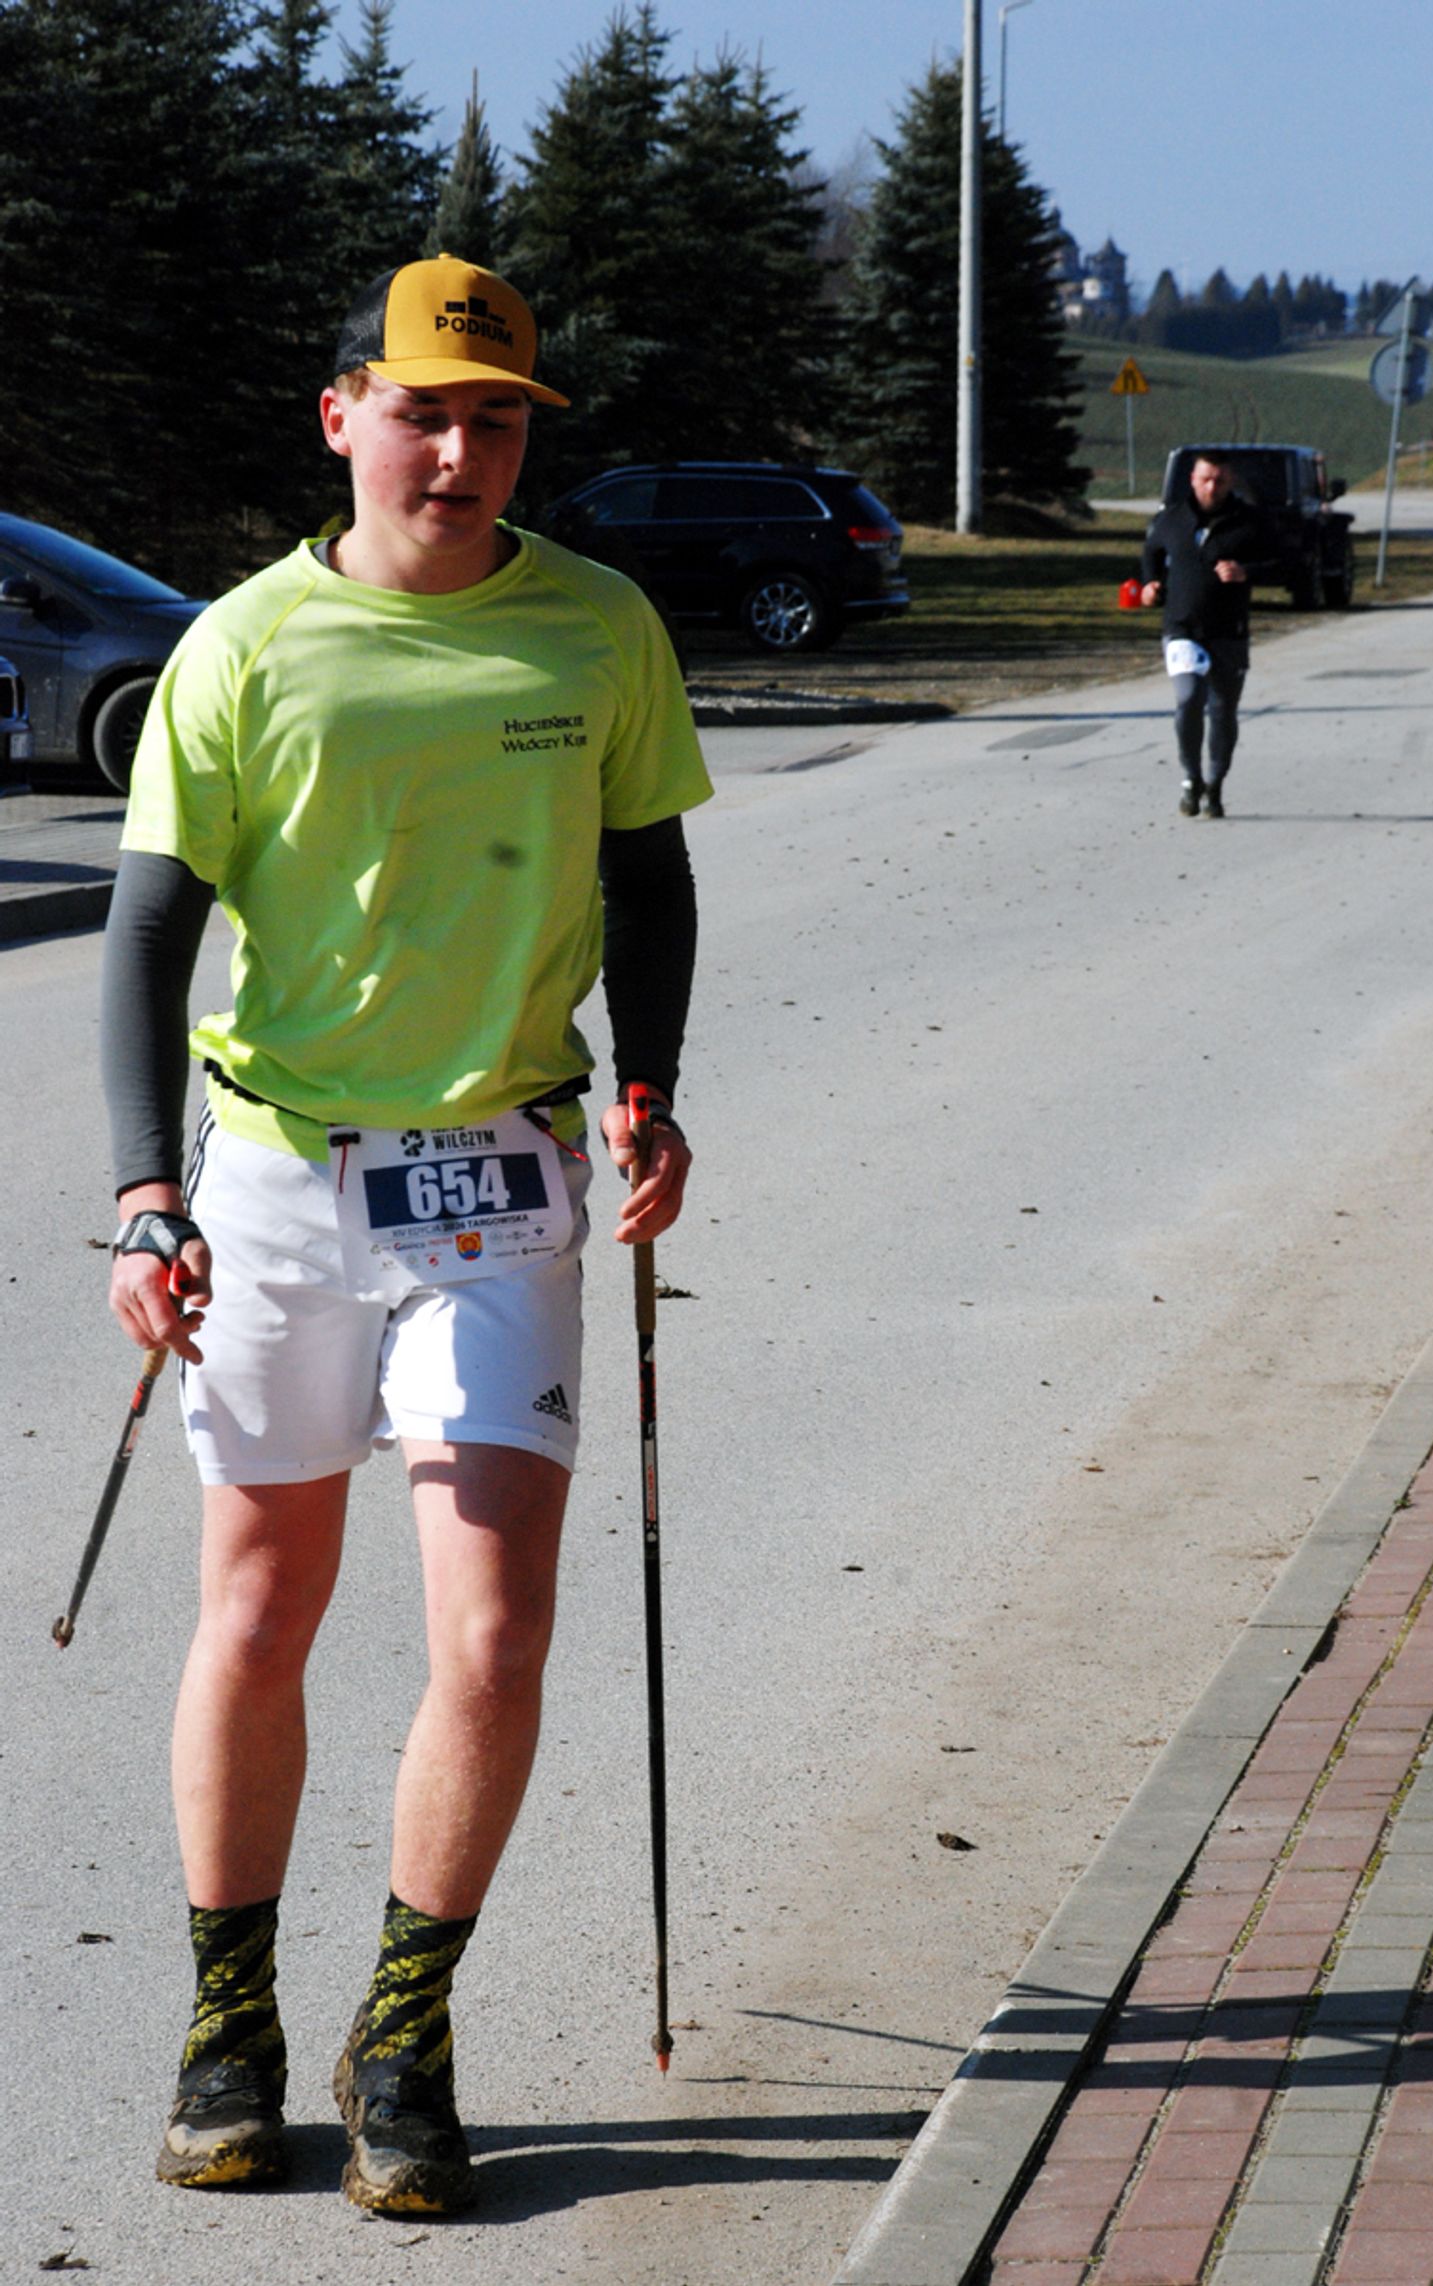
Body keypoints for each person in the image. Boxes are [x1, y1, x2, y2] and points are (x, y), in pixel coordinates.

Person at [99, 252, 713, 2216]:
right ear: (342, 416)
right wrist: (145, 1194)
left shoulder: (599, 628)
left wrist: (650, 1088)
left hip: (500, 1177)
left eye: (498, 418)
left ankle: (406, 2036)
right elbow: (147, 930)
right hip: (279, 1177)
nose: (459, 453)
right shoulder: (245, 645)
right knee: (260, 1607)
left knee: (496, 1628)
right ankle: (228, 2025)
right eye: (424, 412)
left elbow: (649, 877)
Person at [1139, 452, 1280, 819]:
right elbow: (1151, 552)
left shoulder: (1250, 522)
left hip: (1229, 632)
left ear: (1231, 481)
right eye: (1205, 479)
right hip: (1182, 628)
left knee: (1222, 709)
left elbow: (1283, 562)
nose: (1212, 486)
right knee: (1188, 698)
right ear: (1193, 479)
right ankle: (1191, 778)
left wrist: (1246, 572)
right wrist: (1150, 585)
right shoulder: (1171, 519)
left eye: (1219, 479)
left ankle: (1215, 784)